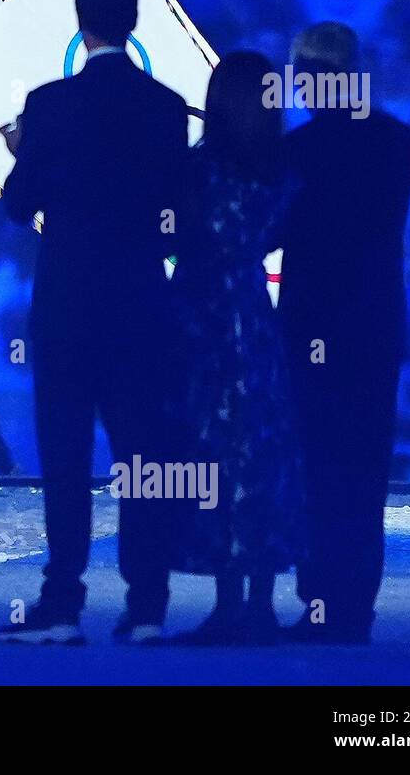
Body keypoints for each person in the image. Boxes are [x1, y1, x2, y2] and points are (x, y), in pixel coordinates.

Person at [0, 0, 189, 645]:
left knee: (67, 454)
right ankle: (148, 603)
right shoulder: (166, 107)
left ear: (83, 24)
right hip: (141, 305)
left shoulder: (50, 104)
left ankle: (63, 601)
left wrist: (23, 154)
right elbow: (177, 211)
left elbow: (20, 206)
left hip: (69, 304)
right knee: (144, 453)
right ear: (134, 22)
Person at [277, 22, 410, 644]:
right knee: (364, 469)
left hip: (310, 327)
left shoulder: (298, 152)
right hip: (374, 330)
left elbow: (272, 234)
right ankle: (354, 605)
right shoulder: (395, 141)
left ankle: (322, 603)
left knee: (316, 466)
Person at [167, 51, 303, 645]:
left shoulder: (196, 169)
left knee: (212, 451)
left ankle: (227, 601)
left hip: (201, 316)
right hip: (253, 314)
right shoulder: (283, 170)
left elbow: (169, 231)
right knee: (261, 453)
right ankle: (263, 603)